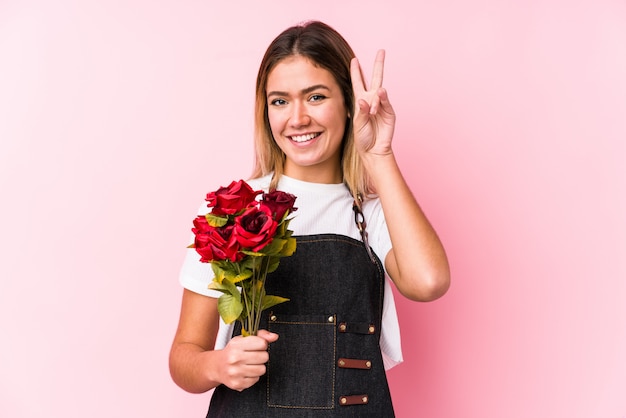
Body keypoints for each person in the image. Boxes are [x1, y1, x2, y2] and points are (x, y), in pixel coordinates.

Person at [169, 20, 450, 417]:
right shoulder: (234, 210)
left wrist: (380, 156)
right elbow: (184, 358)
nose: (297, 118)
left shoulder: (374, 210)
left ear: (349, 103)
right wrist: (217, 365)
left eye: (315, 97)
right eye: (280, 101)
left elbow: (429, 282)